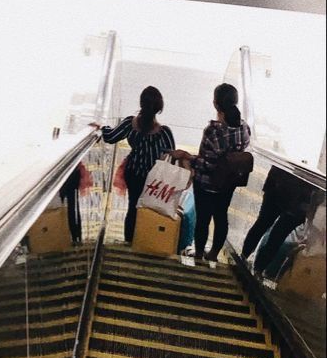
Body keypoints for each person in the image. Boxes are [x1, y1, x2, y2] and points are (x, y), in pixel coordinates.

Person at [173, 82, 250, 266]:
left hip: (207, 184)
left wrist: (186, 156)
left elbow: (207, 164)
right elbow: (240, 151)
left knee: (203, 219)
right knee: (221, 217)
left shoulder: (213, 131)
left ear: (216, 104)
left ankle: (199, 254)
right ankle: (214, 254)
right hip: (228, 183)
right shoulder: (244, 128)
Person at [91, 87, 175, 243]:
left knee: (133, 207)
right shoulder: (164, 132)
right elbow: (172, 156)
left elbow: (110, 137)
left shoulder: (131, 123)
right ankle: (146, 241)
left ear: (141, 104)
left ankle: (129, 241)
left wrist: (102, 127)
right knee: (150, 210)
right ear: (159, 107)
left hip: (133, 173)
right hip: (154, 179)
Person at [241, 166, 315, 278]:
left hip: (284, 187)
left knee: (266, 227)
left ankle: (247, 260)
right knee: (274, 234)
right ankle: (256, 267)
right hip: (296, 195)